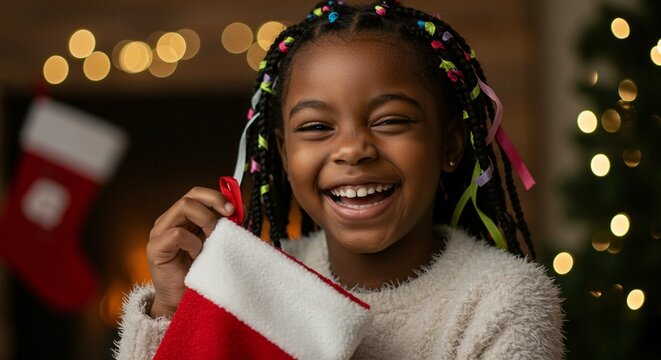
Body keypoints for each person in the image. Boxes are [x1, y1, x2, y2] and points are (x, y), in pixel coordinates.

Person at [115, 1, 564, 358]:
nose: (353, 149)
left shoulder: (503, 301)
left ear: (449, 146)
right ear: (285, 155)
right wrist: (175, 310)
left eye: (390, 121)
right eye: (315, 127)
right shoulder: (256, 282)